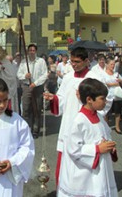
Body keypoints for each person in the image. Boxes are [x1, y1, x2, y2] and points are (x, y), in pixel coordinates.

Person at [43, 47, 109, 185]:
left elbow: (104, 104)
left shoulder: (95, 78)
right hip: (68, 126)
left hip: (87, 129)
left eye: (77, 61)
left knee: (84, 173)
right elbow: (61, 100)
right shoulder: (67, 78)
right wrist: (53, 98)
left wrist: (84, 100)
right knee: (64, 169)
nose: (73, 64)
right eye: (72, 61)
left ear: (86, 61)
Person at [57, 78, 118, 197]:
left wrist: (110, 147)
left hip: (101, 170)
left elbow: (105, 136)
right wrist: (97, 149)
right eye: (102, 99)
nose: (105, 102)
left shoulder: (100, 117)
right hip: (85, 177)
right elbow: (73, 150)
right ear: (89, 99)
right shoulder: (78, 122)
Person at [17, 44, 48, 138]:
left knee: (37, 109)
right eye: (30, 50)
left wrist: (36, 83)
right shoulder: (23, 62)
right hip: (26, 86)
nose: (31, 52)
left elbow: (45, 74)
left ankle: (35, 130)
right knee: (26, 108)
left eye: (33, 50)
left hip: (37, 87)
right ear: (28, 51)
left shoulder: (41, 61)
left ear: (36, 51)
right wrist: (24, 76)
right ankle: (26, 129)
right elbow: (18, 74)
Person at [103, 57, 122, 134]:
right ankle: (106, 126)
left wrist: (120, 81)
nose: (113, 66)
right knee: (106, 112)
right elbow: (104, 84)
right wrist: (114, 84)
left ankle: (117, 126)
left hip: (116, 95)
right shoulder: (103, 74)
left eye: (114, 64)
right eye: (111, 64)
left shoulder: (116, 74)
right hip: (108, 95)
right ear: (107, 65)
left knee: (117, 112)